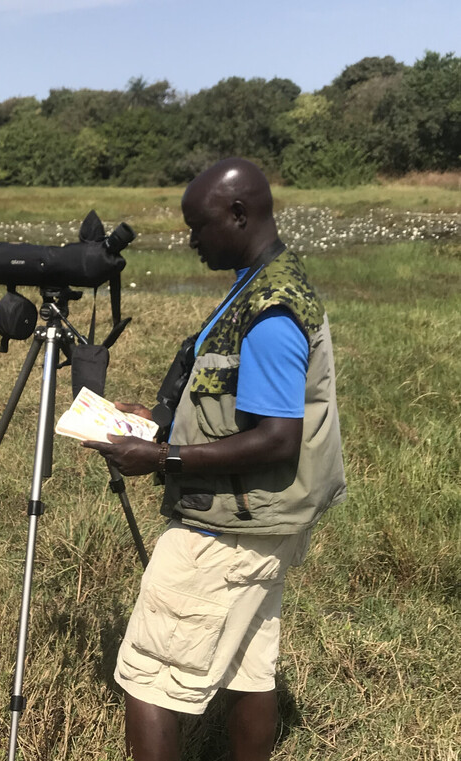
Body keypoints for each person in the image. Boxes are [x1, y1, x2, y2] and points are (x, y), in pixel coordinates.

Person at [83, 157, 346, 761]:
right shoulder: (259, 282)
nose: (191, 240)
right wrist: (153, 423)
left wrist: (162, 458)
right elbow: (231, 404)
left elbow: (278, 437)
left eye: (198, 227)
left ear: (238, 213)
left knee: (149, 676)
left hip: (226, 526)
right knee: (249, 668)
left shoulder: (271, 311)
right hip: (261, 522)